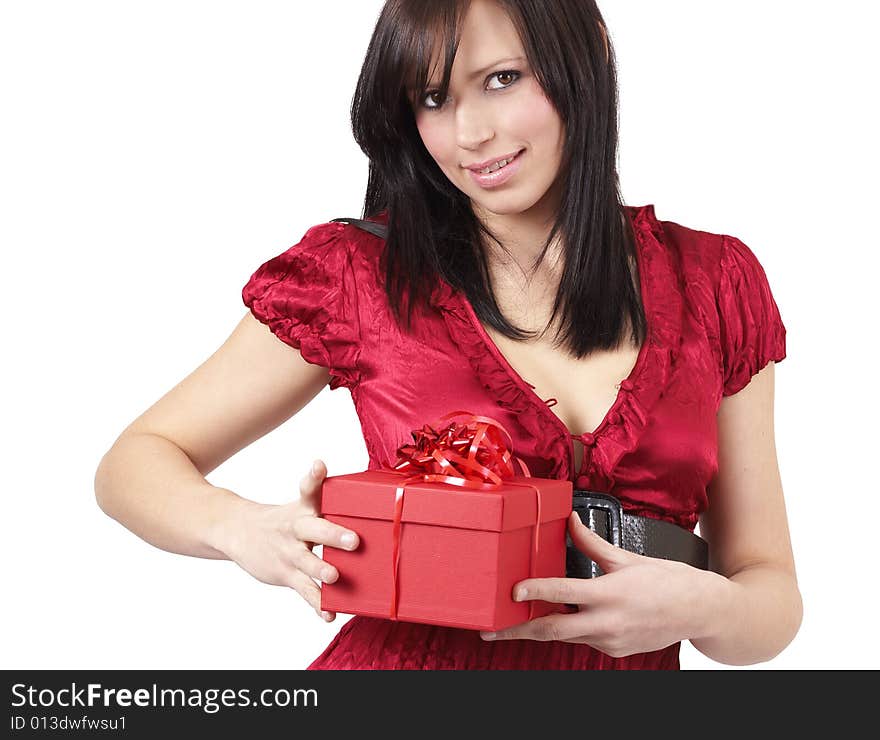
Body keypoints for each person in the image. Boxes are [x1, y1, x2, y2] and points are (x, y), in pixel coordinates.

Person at [94, 0, 802, 670]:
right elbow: (134, 463)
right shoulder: (356, 273)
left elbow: (769, 594)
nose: (470, 135)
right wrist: (244, 529)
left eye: (502, 79)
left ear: (587, 57)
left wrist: (704, 608)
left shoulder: (714, 282)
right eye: (433, 98)